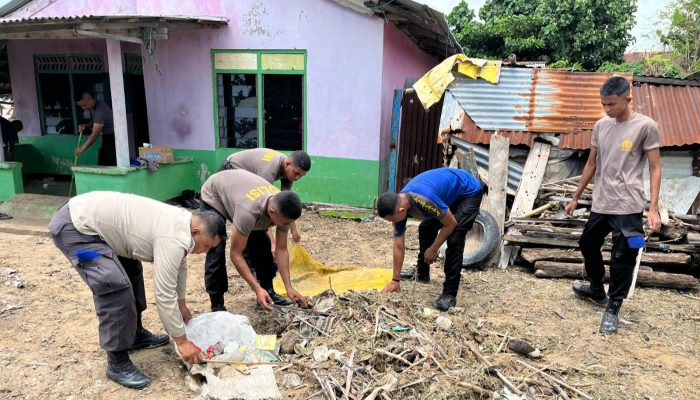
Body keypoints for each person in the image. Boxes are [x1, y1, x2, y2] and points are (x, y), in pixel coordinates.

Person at [49, 192, 226, 389]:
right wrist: (183, 342)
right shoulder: (173, 237)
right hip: (76, 227)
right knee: (114, 284)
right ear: (196, 232)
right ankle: (117, 362)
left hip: (96, 224)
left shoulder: (183, 224)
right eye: (207, 246)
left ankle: (134, 334)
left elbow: (179, 264)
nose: (206, 252)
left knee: (132, 269)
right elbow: (164, 294)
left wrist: (181, 304)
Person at [565, 76, 661, 334]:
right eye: (603, 104)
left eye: (612, 104)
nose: (607, 110)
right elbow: (591, 164)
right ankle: (597, 288)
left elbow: (655, 167)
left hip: (629, 206)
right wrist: (576, 196)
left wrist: (653, 208)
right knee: (586, 243)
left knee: (624, 256)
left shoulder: (646, 127)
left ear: (628, 99)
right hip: (602, 203)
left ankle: (613, 306)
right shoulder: (601, 126)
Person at [199, 169, 309, 312]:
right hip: (215, 195)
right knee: (216, 247)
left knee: (262, 244)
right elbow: (235, 255)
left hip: (239, 192)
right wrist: (256, 288)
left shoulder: (281, 207)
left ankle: (268, 292)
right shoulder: (248, 212)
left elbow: (281, 250)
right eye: (285, 224)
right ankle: (217, 304)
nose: (287, 227)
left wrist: (288, 287)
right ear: (272, 212)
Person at [376, 167, 484, 311]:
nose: (393, 223)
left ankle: (449, 294)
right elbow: (398, 246)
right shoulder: (400, 204)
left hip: (468, 192)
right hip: (448, 194)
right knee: (426, 228)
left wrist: (434, 249)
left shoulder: (424, 199)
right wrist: (395, 281)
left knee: (455, 238)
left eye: (392, 220)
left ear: (401, 211)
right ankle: (422, 274)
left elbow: (450, 224)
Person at [219, 148, 311, 242]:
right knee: (219, 225)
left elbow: (286, 203)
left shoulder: (288, 171)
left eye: (301, 176)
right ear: (287, 164)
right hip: (230, 170)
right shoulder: (268, 170)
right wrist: (273, 242)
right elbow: (266, 205)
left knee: (254, 227)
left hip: (245, 178)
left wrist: (294, 230)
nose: (297, 178)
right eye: (296, 173)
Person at [74, 91, 115, 166]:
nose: (83, 108)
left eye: (84, 105)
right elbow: (96, 120)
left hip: (112, 139)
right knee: (103, 163)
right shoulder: (96, 105)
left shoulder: (100, 110)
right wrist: (86, 125)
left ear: (91, 99)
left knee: (107, 164)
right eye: (81, 106)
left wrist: (82, 148)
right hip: (108, 137)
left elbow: (95, 134)